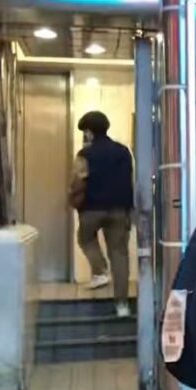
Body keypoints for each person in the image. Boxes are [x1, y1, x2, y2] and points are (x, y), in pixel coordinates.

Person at [70, 111, 134, 318]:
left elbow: (78, 180)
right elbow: (129, 181)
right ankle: (122, 305)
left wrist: (73, 198)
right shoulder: (123, 152)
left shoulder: (84, 155)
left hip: (92, 209)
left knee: (85, 237)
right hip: (119, 209)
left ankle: (99, 271)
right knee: (120, 254)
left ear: (89, 132)